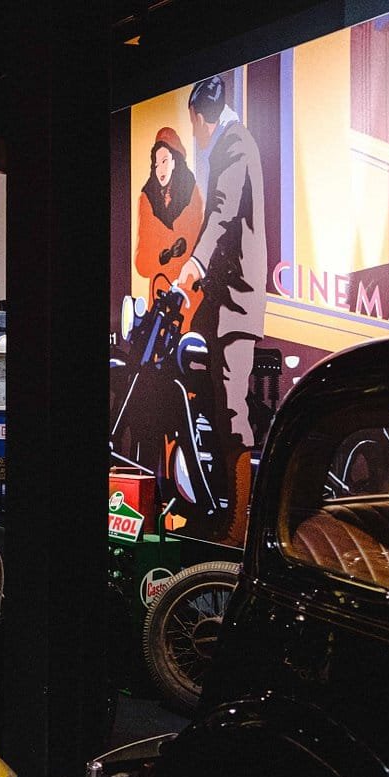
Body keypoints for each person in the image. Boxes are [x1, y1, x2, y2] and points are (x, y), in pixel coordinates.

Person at [174, 74, 268, 547]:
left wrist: (194, 265)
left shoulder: (234, 143)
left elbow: (223, 214)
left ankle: (239, 526)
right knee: (203, 391)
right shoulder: (230, 142)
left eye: (192, 122)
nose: (193, 131)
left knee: (230, 409)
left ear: (199, 116)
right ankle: (212, 507)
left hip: (236, 300)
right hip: (220, 300)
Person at [134, 127, 203, 313]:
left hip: (188, 293)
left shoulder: (193, 194)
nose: (160, 169)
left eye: (164, 161)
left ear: (175, 161)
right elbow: (141, 264)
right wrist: (161, 256)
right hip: (160, 292)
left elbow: (200, 246)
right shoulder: (147, 199)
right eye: (156, 164)